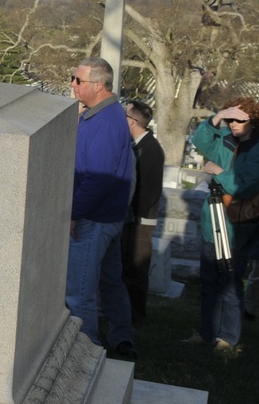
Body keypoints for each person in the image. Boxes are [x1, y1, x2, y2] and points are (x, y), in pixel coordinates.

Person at [187, 96, 259, 350]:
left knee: (231, 286)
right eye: (230, 119)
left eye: (239, 120)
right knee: (209, 283)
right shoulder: (226, 140)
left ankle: (228, 338)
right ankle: (207, 332)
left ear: (253, 122)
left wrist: (219, 172)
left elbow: (245, 187)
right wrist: (218, 115)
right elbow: (200, 140)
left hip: (237, 226)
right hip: (212, 221)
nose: (233, 123)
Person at [65, 57, 135, 354]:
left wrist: (74, 212)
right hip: (107, 216)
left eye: (78, 80)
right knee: (110, 282)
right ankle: (122, 338)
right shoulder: (100, 115)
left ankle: (85, 351)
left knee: (79, 292)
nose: (73, 84)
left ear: (98, 85)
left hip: (94, 219)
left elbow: (98, 178)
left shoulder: (106, 122)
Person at [121, 99, 165, 325]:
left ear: (132, 121)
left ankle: (136, 317)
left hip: (140, 219)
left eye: (125, 115)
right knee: (128, 266)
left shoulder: (151, 149)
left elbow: (149, 190)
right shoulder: (139, 145)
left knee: (136, 269)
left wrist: (134, 214)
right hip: (134, 216)